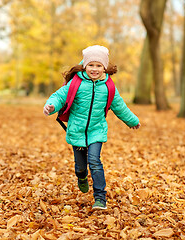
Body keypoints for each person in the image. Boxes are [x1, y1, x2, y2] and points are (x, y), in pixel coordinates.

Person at [43, 45, 140, 210]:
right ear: (85, 66)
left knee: (94, 161)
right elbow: (59, 96)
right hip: (77, 131)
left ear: (104, 67)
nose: (94, 69)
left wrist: (132, 120)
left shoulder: (108, 87)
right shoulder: (76, 83)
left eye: (98, 65)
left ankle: (100, 198)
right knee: (81, 167)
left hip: (97, 131)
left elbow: (120, 106)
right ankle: (81, 177)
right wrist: (51, 105)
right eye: (91, 65)